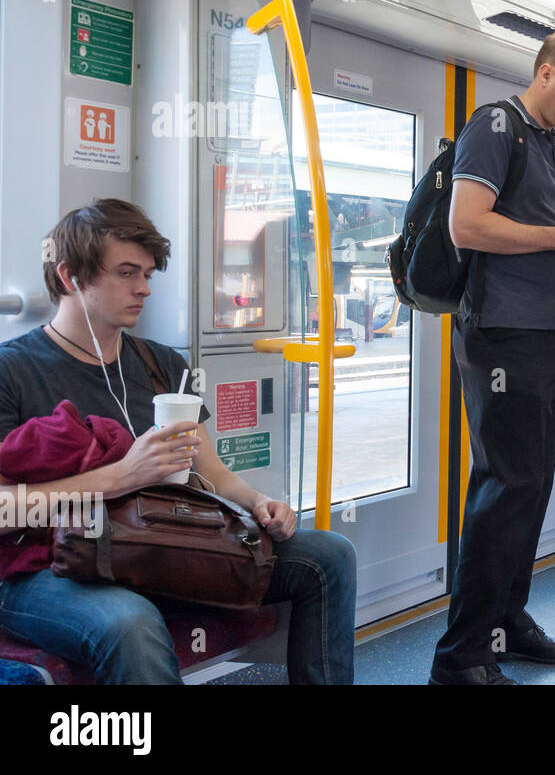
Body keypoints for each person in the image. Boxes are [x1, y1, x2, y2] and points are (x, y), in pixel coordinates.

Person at [0, 199, 357, 684]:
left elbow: (209, 469)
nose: (143, 288)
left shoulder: (162, 363)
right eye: (127, 272)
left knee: (329, 555)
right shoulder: (12, 371)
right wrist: (122, 475)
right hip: (49, 566)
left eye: (147, 274)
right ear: (69, 277)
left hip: (157, 545)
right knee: (129, 622)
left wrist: (259, 502)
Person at [431, 29, 555, 685]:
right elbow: (467, 224)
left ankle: (509, 621)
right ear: (544, 73)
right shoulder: (496, 124)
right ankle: (461, 655)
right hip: (505, 339)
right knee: (504, 488)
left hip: (550, 341)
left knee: (530, 487)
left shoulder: (548, 148)